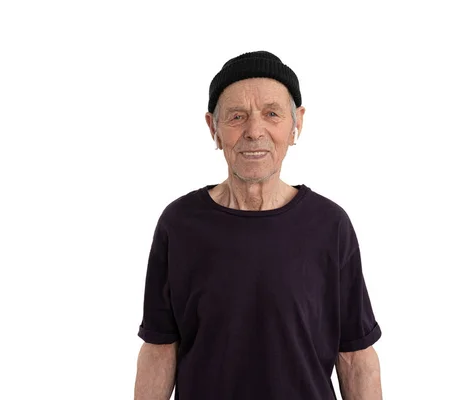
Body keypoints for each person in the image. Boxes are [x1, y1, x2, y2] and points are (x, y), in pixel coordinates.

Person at [134, 51, 382, 400]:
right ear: (213, 128)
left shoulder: (330, 225)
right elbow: (160, 347)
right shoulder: (179, 224)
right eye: (237, 117)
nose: (254, 131)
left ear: (296, 123)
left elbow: (355, 355)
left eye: (271, 114)